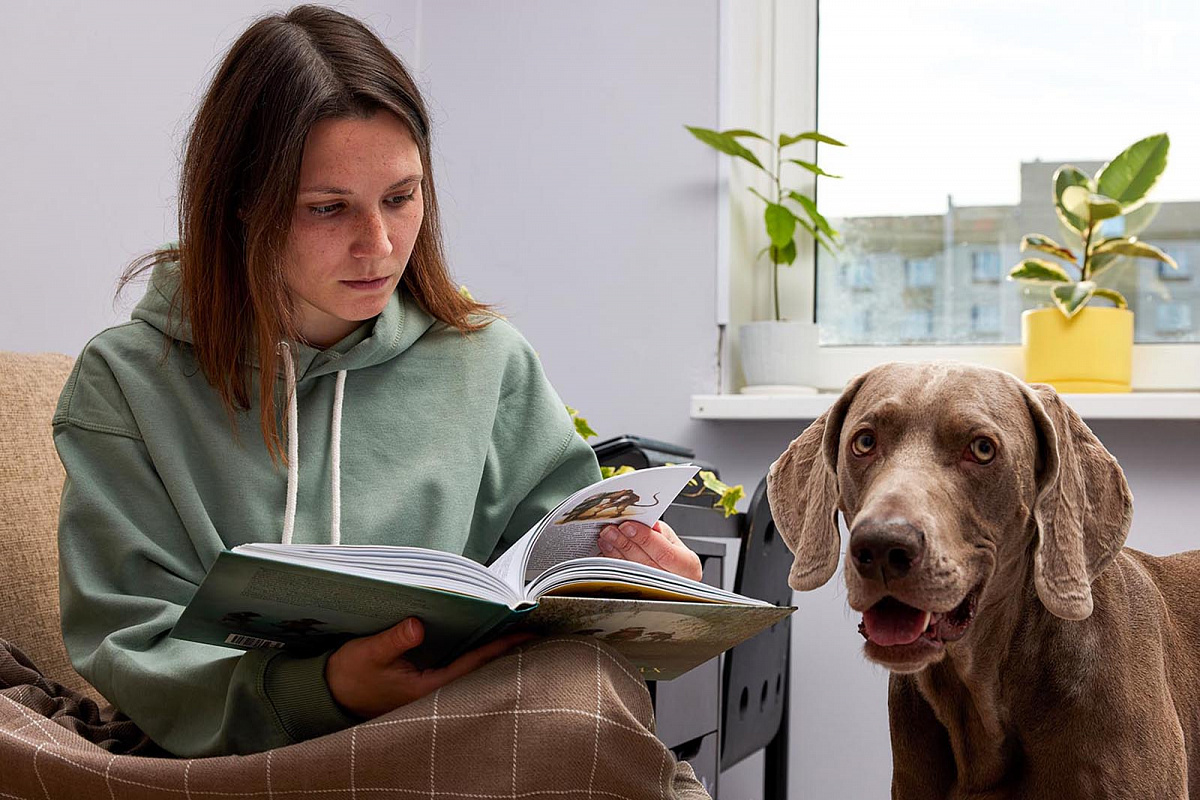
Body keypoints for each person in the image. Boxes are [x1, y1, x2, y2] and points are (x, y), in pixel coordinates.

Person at [52, 5, 707, 793]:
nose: (381, 244)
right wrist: (324, 689)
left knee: (581, 694)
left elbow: (555, 570)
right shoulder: (127, 382)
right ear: (239, 204)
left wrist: (642, 577)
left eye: (401, 197)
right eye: (328, 208)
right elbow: (131, 639)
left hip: (453, 728)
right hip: (236, 757)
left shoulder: (485, 360)